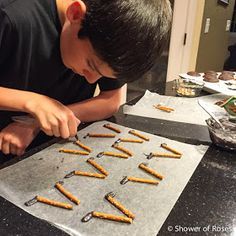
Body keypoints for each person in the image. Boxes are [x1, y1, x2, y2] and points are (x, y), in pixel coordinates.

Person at [0, 0, 172, 158]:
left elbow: (110, 101)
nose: (91, 81)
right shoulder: (12, 16)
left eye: (103, 75)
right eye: (91, 65)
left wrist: (36, 122)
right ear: (75, 14)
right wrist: (32, 102)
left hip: (49, 151)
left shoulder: (113, 41)